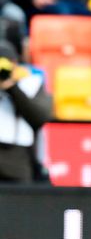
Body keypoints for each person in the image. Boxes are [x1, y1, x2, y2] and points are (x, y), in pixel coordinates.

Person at [0, 40, 51, 183]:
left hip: (18, 156)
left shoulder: (31, 84)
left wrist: (12, 87)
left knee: (18, 201)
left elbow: (40, 117)